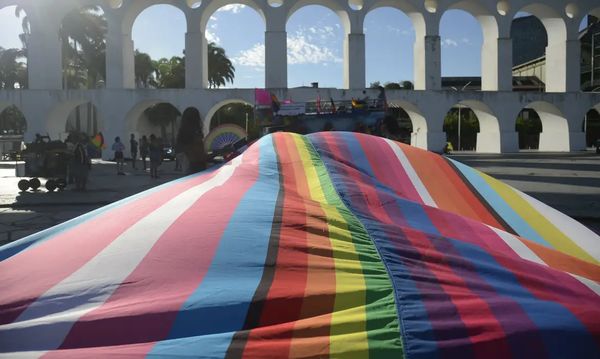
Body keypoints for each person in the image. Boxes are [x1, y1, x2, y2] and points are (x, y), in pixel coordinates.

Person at [176, 108, 207, 174]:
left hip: (190, 172)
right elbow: (199, 158)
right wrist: (218, 152)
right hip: (197, 171)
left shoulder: (182, 135)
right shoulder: (195, 135)